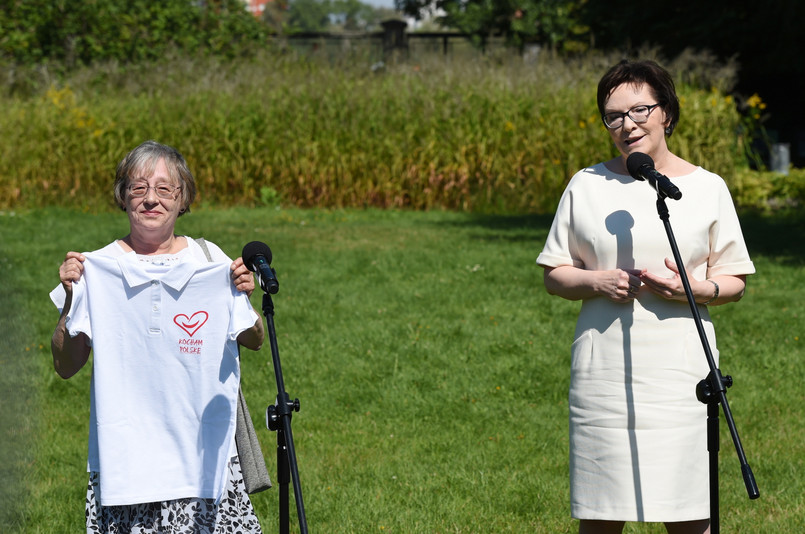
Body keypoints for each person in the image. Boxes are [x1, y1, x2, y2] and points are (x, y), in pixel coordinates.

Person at [536, 60, 755, 534]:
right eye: (613, 116)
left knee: (689, 511)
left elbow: (733, 282)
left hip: (680, 377)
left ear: (667, 113)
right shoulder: (586, 185)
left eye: (640, 110)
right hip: (605, 379)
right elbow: (555, 274)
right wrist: (597, 281)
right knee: (601, 514)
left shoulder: (707, 188)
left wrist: (690, 290)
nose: (627, 125)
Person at [50, 140, 266, 533]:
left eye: (165, 189)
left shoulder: (210, 261)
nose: (151, 199)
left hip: (205, 457)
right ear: (124, 197)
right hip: (127, 464)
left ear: (182, 199)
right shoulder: (95, 269)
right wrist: (70, 301)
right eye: (138, 187)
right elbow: (66, 366)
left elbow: (254, 338)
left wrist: (243, 295)